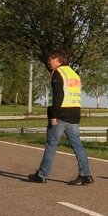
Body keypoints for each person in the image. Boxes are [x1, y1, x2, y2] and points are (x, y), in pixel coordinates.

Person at [28, 51, 94, 185]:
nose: (49, 62)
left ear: (57, 59)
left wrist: (53, 115)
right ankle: (85, 175)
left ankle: (41, 175)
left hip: (60, 115)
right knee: (77, 145)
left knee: (51, 145)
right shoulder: (74, 74)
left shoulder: (58, 73)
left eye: (50, 60)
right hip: (74, 114)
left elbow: (58, 95)